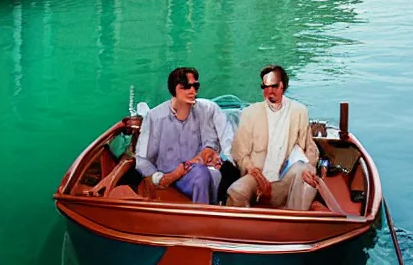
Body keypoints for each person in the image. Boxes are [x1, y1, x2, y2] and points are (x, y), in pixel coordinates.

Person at [227, 65, 319, 210]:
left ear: (283, 86)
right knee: (235, 191)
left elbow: (310, 148)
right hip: (258, 178)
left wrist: (309, 168)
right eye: (265, 87)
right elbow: (239, 153)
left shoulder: (299, 111)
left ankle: (292, 222)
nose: (269, 92)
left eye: (274, 86)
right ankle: (245, 229)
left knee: (305, 176)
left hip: (286, 178)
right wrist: (251, 169)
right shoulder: (249, 113)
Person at [135, 67, 222, 204]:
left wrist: (187, 166)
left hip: (193, 172)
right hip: (164, 174)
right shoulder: (155, 117)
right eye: (186, 86)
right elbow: (142, 160)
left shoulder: (203, 112)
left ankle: (203, 218)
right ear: (173, 89)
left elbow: (210, 144)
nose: (192, 91)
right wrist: (165, 177)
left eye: (195, 86)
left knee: (209, 174)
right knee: (203, 174)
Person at [197, 98, 241, 204]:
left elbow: (227, 142)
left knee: (230, 170)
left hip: (221, 158)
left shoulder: (210, 109)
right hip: (199, 164)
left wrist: (227, 160)